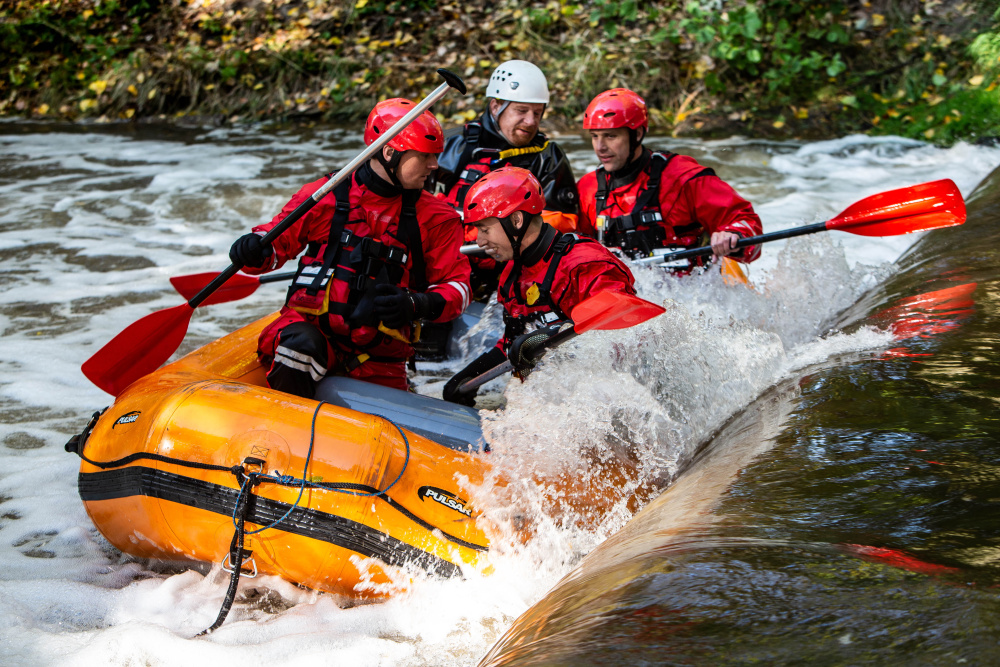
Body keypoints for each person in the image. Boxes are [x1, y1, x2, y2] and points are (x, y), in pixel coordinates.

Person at [230, 98, 472, 399]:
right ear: (389, 152)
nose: (435, 165)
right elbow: (274, 246)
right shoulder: (325, 196)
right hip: (313, 335)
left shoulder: (438, 218)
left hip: (379, 358)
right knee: (299, 344)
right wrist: (253, 248)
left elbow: (458, 289)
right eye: (424, 157)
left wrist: (416, 303)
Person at [442, 167, 635, 406]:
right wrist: (473, 376)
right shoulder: (513, 273)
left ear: (516, 220)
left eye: (485, 229)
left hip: (603, 399)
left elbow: (620, 337)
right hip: (548, 399)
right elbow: (513, 344)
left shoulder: (585, 264)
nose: (479, 242)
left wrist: (546, 335)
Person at [431, 59, 580, 296]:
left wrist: (490, 234)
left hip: (509, 274)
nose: (531, 121)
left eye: (537, 113)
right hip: (448, 266)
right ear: (495, 106)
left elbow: (564, 223)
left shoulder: (548, 157)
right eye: (521, 110)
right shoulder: (452, 144)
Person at [577, 88, 763, 270]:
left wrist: (732, 235)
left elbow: (745, 222)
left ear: (637, 134)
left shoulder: (683, 178)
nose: (600, 147)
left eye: (611, 136)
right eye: (595, 137)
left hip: (692, 288)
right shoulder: (587, 188)